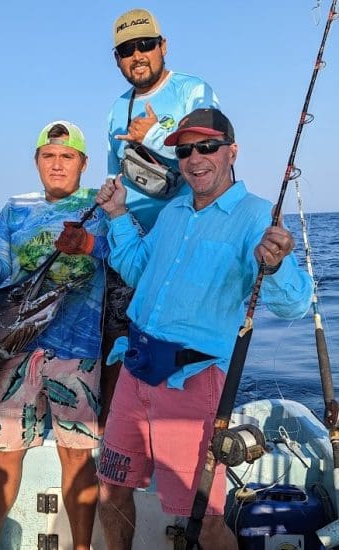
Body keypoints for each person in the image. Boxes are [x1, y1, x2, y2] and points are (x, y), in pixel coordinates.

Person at [95, 108, 313, 550]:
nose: (195, 158)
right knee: (111, 490)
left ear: (232, 151)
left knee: (202, 518)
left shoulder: (256, 216)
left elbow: (294, 305)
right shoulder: (174, 210)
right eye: (185, 150)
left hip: (192, 381)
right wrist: (118, 214)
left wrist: (277, 264)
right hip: (134, 371)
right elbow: (138, 269)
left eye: (208, 146)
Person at [0, 121, 108, 550]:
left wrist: (90, 243)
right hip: (15, 352)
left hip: (79, 353)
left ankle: (82, 547)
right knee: (3, 455)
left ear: (83, 164)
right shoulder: (16, 208)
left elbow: (125, 257)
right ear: (36, 161)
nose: (57, 165)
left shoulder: (103, 205)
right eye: (48, 156)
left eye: (67, 156)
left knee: (77, 456)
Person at [101, 8, 221, 425]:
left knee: (185, 353)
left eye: (145, 45)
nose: (138, 55)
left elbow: (212, 152)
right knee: (123, 344)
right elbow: (115, 173)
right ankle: (121, 431)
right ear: (117, 59)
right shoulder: (117, 108)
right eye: (126, 50)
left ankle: (184, 436)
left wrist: (151, 136)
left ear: (163, 46)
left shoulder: (193, 91)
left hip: (186, 241)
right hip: (132, 243)